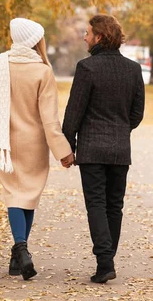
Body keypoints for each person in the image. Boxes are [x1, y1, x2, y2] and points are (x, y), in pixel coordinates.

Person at [0, 18, 74, 280]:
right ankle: (21, 251)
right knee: (28, 196)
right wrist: (63, 152)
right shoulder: (42, 71)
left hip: (5, 143)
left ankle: (18, 254)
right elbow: (50, 119)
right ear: (36, 41)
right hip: (34, 144)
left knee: (14, 195)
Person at [62, 14, 145, 284]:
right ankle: (107, 260)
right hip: (120, 150)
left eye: (87, 33)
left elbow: (74, 112)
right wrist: (120, 130)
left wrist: (69, 145)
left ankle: (105, 262)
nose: (84, 37)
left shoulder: (87, 68)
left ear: (99, 36)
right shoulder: (133, 70)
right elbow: (137, 113)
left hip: (92, 150)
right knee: (114, 206)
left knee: (96, 204)